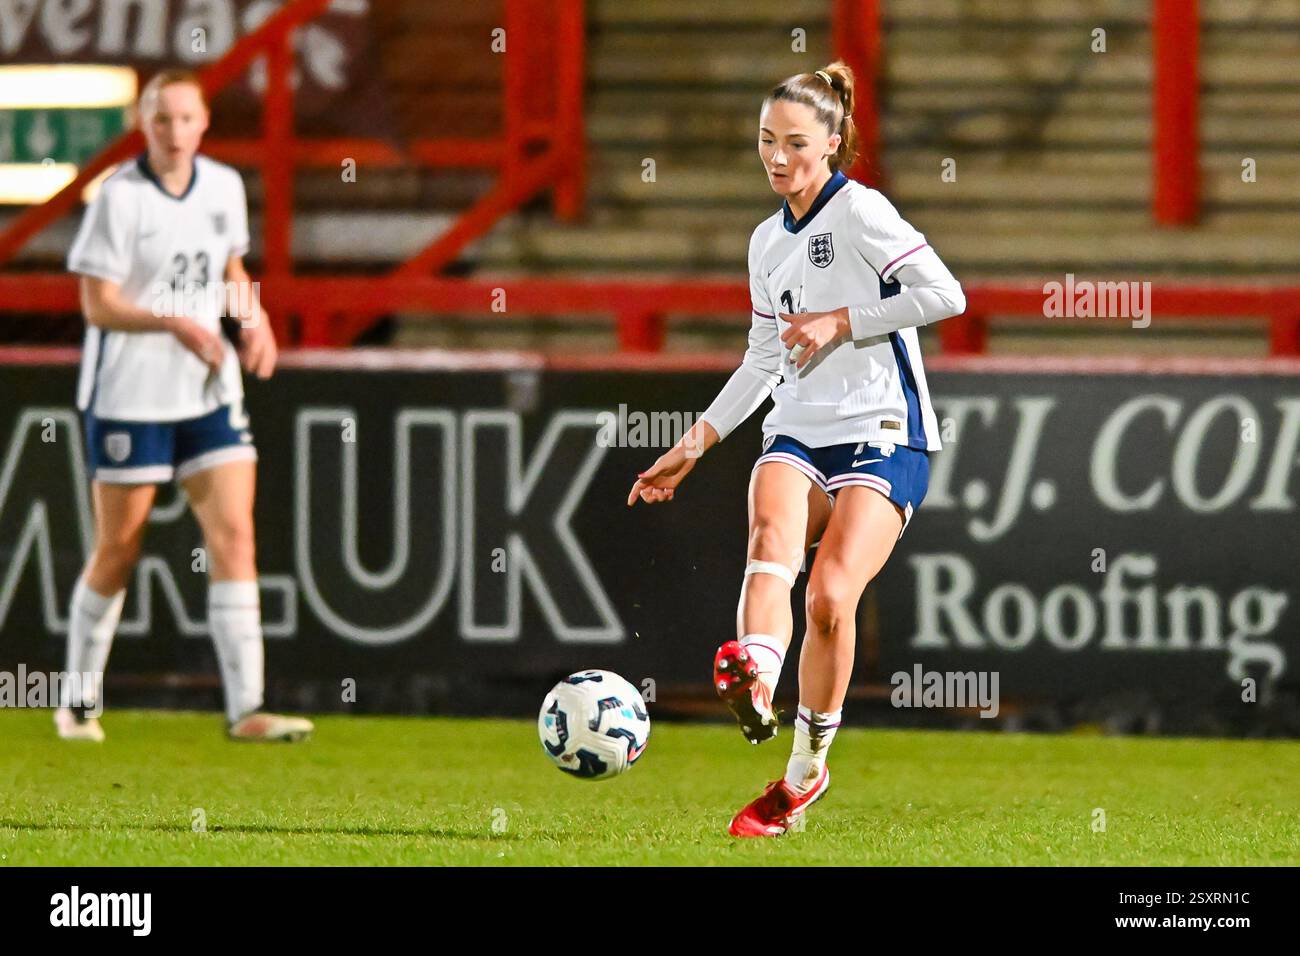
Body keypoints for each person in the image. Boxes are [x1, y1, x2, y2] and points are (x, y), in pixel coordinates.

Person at [627, 62, 965, 836]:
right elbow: (760, 359)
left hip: (885, 429)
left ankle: (805, 773)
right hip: (799, 426)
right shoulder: (764, 242)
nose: (777, 158)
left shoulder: (861, 212)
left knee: (829, 599)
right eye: (765, 141)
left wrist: (843, 318)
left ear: (834, 142)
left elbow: (946, 294)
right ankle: (755, 680)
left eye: (795, 144)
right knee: (770, 537)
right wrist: (695, 443)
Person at [55, 70, 313, 743]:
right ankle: (77, 701)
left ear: (204, 124)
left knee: (234, 536)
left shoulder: (224, 188)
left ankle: (248, 708)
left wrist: (252, 321)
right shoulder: (119, 198)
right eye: (160, 120)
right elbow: (97, 303)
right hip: (130, 393)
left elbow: (230, 274)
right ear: (143, 124)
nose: (173, 133)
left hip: (206, 389)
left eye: (185, 119)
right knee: (119, 547)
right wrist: (173, 322)